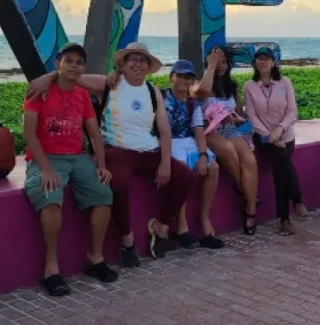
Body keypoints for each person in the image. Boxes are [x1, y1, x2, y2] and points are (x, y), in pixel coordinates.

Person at [26, 43, 198, 264]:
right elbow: (70, 76)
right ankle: (127, 239)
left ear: (148, 67)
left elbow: (164, 130)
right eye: (132, 59)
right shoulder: (107, 84)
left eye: (142, 60)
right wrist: (47, 77)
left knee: (184, 176)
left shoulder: (153, 91)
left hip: (149, 151)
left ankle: (161, 226)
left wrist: (165, 162)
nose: (137, 64)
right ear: (122, 65)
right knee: (119, 184)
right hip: (117, 150)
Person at [22, 42, 117, 297]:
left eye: (79, 62)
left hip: (77, 157)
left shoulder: (82, 94)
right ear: (58, 64)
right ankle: (51, 267)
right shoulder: (39, 92)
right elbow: (29, 135)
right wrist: (46, 168)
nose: (74, 65)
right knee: (50, 197)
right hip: (46, 157)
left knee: (103, 195)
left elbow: (95, 134)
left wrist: (101, 165)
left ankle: (95, 258)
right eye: (69, 60)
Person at [192, 47, 259, 235]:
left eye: (223, 62)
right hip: (209, 132)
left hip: (229, 129)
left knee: (249, 160)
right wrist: (211, 66)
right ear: (208, 63)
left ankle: (251, 211)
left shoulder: (231, 86)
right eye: (216, 61)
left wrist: (236, 118)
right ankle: (247, 193)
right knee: (228, 150)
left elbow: (238, 112)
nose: (221, 66)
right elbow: (202, 91)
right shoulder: (198, 83)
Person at [243, 47, 308, 235]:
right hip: (263, 139)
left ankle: (285, 218)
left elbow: (292, 112)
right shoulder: (250, 86)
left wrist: (279, 130)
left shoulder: (284, 83)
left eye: (266, 58)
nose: (262, 62)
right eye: (258, 59)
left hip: (286, 136)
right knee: (283, 160)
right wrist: (268, 135)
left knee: (281, 169)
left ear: (273, 62)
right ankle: (297, 201)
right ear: (255, 63)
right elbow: (252, 116)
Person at [164, 59, 225, 249]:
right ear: (171, 77)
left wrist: (203, 155)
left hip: (187, 143)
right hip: (167, 143)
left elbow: (199, 132)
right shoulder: (159, 96)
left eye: (188, 77)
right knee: (182, 171)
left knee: (213, 167)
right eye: (180, 75)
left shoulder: (193, 104)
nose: (183, 80)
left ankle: (204, 220)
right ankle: (182, 226)